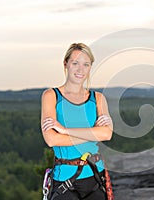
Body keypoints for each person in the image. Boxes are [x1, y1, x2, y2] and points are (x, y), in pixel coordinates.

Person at [41, 43, 113, 200]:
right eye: (75, 63)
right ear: (65, 63)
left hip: (94, 177)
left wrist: (65, 130)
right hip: (64, 180)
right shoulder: (51, 96)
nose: (80, 70)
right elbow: (52, 139)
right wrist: (93, 133)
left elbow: (106, 134)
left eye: (86, 64)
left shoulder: (98, 99)